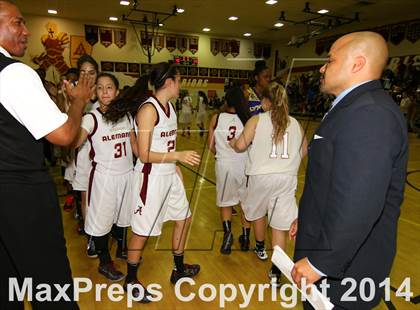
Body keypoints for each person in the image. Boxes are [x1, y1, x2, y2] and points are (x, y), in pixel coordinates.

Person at [290, 31, 409, 310]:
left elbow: (359, 201)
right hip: (335, 263)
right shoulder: (354, 108)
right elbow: (336, 182)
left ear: (357, 64)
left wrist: (323, 262)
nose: (322, 67)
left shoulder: (369, 114)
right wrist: (307, 217)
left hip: (345, 274)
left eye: (329, 60)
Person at [0, 1, 94, 309]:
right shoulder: (14, 74)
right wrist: (79, 101)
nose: (27, 32)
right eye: (18, 23)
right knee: (51, 289)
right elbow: (65, 136)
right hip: (22, 194)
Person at [105, 62, 201, 302]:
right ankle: (131, 280)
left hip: (169, 172)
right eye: (179, 80)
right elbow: (144, 154)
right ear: (169, 82)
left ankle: (178, 270)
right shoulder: (149, 110)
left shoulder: (170, 108)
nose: (181, 85)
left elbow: (164, 144)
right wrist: (177, 157)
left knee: (184, 219)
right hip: (151, 177)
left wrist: (174, 165)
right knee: (142, 232)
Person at [230, 83, 307, 286]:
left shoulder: (257, 120)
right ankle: (275, 272)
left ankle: (260, 246)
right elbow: (304, 151)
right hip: (286, 178)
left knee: (255, 214)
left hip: (261, 177)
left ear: (265, 101)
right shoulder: (296, 123)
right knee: (280, 228)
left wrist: (232, 143)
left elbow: (239, 146)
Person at [72, 73, 137, 281]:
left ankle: (121, 248)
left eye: (109, 87)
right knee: (101, 221)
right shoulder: (91, 118)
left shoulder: (127, 116)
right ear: (95, 92)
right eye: (100, 88)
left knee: (124, 217)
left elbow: (135, 147)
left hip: (127, 174)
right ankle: (104, 262)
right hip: (104, 178)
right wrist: (74, 106)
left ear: (117, 92)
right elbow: (73, 142)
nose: (105, 91)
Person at [207, 87, 252, 254]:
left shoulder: (216, 118)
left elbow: (211, 146)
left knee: (225, 203)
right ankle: (246, 238)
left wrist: (222, 152)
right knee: (245, 204)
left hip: (224, 165)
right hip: (244, 165)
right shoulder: (248, 120)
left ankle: (227, 235)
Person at [71, 55, 100, 254]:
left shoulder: (106, 92)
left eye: (91, 72)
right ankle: (91, 237)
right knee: (86, 198)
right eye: (83, 72)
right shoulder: (73, 94)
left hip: (104, 154)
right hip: (83, 153)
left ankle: (106, 234)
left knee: (105, 197)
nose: (88, 76)